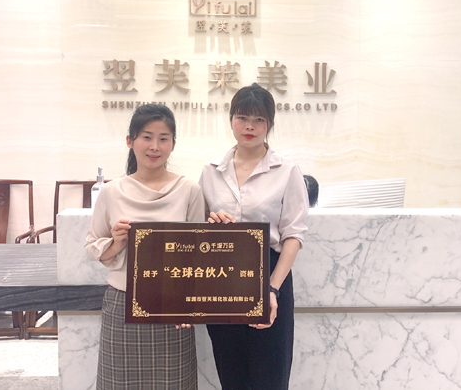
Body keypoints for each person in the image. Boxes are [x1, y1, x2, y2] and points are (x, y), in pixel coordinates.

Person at [85, 104, 205, 390]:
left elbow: (199, 254)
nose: (155, 146)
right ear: (130, 141)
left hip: (173, 307)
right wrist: (116, 242)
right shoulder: (111, 191)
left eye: (163, 138)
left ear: (173, 144)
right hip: (123, 302)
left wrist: (188, 305)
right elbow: (93, 246)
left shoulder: (189, 190)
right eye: (147, 137)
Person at [199, 83, 309, 390]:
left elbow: (293, 235)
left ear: (269, 124)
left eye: (259, 119)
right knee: (231, 374)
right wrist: (211, 223)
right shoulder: (210, 172)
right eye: (243, 117)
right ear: (231, 119)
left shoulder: (287, 171)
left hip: (269, 274)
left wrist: (272, 288)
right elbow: (198, 230)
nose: (250, 126)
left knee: (270, 377)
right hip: (221, 277)